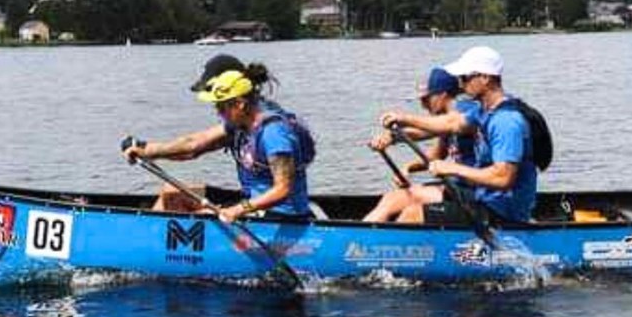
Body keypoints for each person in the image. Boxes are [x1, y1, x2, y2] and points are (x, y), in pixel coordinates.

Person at [122, 63, 315, 221]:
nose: (218, 113)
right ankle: (149, 245)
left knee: (199, 218)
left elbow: (283, 189)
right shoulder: (240, 125)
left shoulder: (273, 133)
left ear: (240, 104)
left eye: (222, 108)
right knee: (171, 192)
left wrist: (238, 210)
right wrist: (147, 151)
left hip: (282, 215)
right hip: (252, 202)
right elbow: (194, 144)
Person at [400, 45, 540, 224]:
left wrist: (452, 168)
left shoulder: (506, 121)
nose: (460, 84)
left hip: (503, 211)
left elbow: (503, 177)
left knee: (414, 214)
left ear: (485, 78)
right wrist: (402, 121)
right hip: (483, 199)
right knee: (407, 200)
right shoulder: (482, 111)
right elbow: (450, 123)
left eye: (465, 78)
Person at [362, 67, 482, 223]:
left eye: (426, 99)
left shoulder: (465, 111)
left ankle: (383, 243)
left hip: (478, 194)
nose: (423, 105)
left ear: (442, 95)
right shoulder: (443, 121)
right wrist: (393, 141)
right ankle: (353, 239)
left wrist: (403, 119)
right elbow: (434, 153)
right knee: (393, 199)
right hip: (459, 189)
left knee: (412, 214)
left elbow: (444, 124)